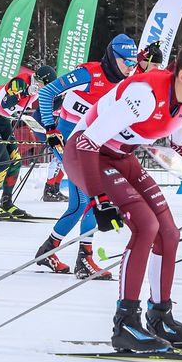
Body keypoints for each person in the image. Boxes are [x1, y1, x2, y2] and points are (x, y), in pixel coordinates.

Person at [62, 40, 182, 352]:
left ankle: (161, 317)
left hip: (121, 157)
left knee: (169, 233)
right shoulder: (145, 96)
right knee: (145, 225)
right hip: (86, 156)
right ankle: (125, 323)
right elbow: (86, 142)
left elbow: (180, 147)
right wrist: (99, 199)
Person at [33, 34, 141, 279]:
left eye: (134, 63)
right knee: (92, 198)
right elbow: (47, 93)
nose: (130, 68)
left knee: (82, 203)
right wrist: (50, 129)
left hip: (89, 146)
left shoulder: (125, 84)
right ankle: (84, 258)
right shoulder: (89, 74)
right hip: (67, 144)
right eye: (126, 62)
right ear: (113, 57)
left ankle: (49, 249)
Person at [0, 65, 56, 219]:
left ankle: (7, 202)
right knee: (4, 161)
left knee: (16, 161)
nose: (45, 89)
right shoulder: (20, 81)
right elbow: (6, 102)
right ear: (40, 80)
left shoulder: (37, 90)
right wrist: (25, 92)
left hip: (5, 122)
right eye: (46, 85)